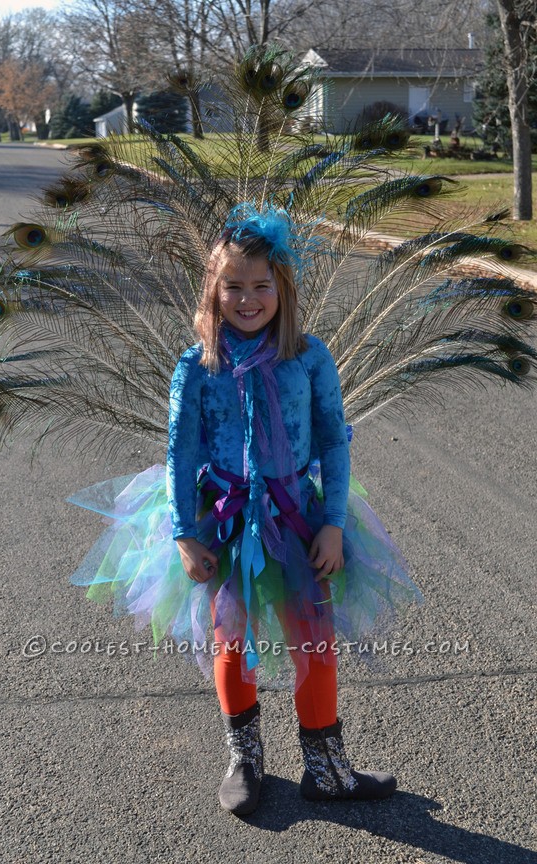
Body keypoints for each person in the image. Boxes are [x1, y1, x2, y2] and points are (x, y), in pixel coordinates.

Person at [69, 202, 421, 817]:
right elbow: (180, 454)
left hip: (298, 518)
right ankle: (246, 758)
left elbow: (334, 441)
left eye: (262, 285)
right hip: (223, 518)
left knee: (315, 641)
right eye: (234, 285)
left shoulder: (310, 358)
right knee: (232, 638)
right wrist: (183, 532)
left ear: (283, 289)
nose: (249, 298)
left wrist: (333, 523)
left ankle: (326, 768)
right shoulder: (197, 365)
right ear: (214, 289)